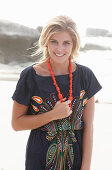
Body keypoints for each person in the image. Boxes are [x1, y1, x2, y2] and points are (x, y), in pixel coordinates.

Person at [11, 15, 102, 170]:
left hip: (76, 160)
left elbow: (88, 127)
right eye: (54, 42)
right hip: (39, 160)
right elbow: (16, 123)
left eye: (66, 43)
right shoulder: (30, 76)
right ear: (46, 42)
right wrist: (53, 114)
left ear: (74, 44)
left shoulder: (86, 76)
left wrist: (86, 167)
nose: (60, 49)